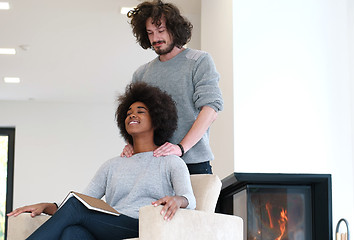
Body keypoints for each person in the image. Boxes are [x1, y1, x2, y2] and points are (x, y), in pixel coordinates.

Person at [7, 82, 196, 240]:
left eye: (141, 111)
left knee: (75, 207)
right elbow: (84, 200)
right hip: (112, 225)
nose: (132, 115)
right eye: (129, 112)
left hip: (145, 226)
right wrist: (49, 207)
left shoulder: (170, 162)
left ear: (156, 119)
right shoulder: (112, 165)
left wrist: (177, 200)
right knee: (72, 233)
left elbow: (190, 199)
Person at [123, 0, 224, 174]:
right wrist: (131, 144)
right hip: (153, 165)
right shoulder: (142, 74)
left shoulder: (198, 61)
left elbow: (210, 110)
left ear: (174, 29)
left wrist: (181, 148)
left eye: (161, 31)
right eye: (150, 33)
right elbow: (137, 118)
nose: (155, 38)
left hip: (192, 164)